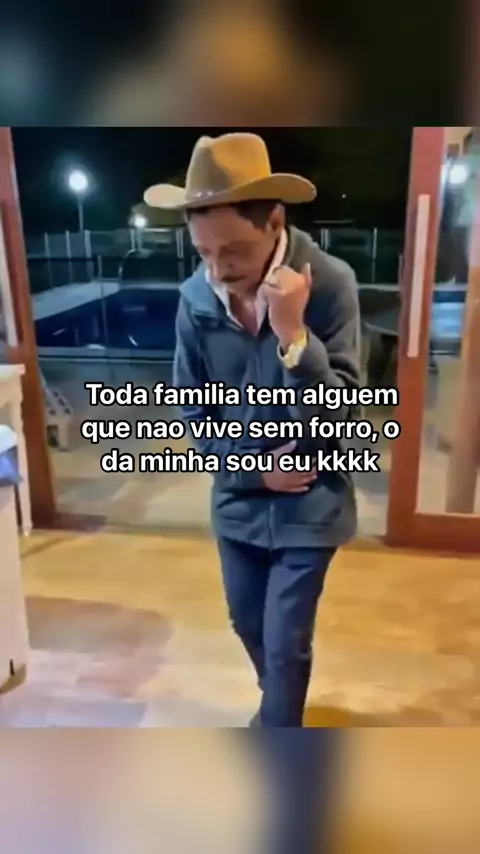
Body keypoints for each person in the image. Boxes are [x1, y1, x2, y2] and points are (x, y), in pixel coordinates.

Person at [144, 133, 360, 727]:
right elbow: (191, 409)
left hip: (310, 500)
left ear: (275, 222)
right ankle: (278, 706)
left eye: (234, 250)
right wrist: (253, 471)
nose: (219, 269)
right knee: (248, 624)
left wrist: (294, 336)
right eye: (204, 252)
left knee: (286, 641)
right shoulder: (196, 297)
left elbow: (343, 415)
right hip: (238, 499)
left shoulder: (330, 283)